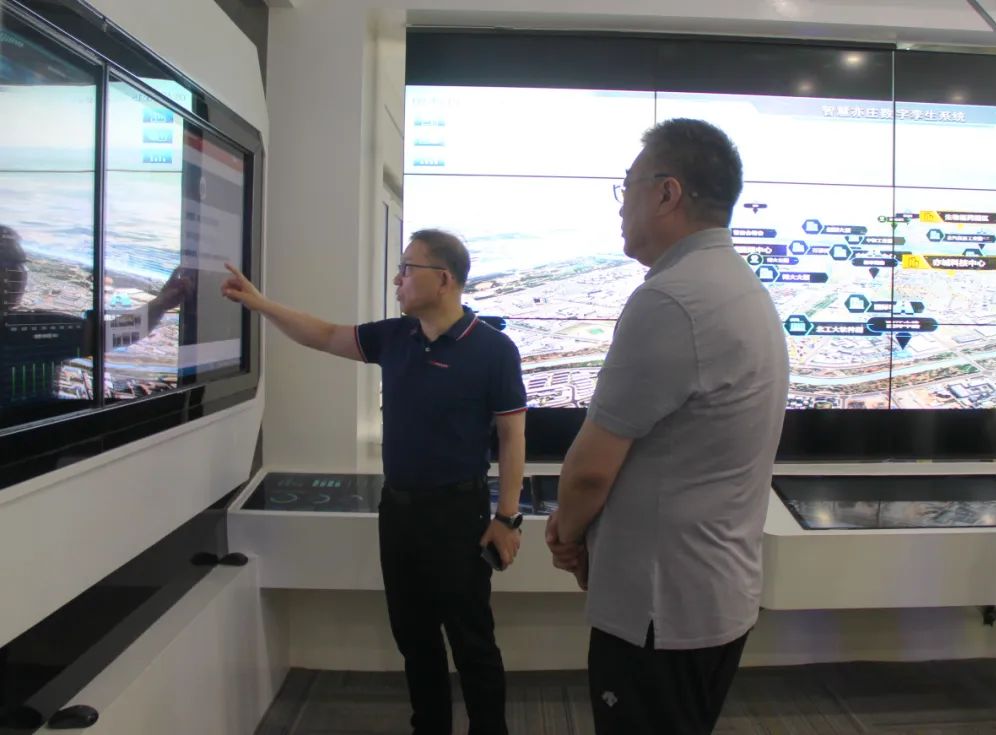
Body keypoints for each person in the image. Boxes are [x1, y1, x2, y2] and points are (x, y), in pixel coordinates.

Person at [221, 228, 526, 735]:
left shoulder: (493, 350)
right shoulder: (395, 336)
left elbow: (513, 438)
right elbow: (323, 334)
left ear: (443, 279)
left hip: (458, 515)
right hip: (399, 512)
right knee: (414, 637)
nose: (397, 279)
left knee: (471, 639)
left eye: (407, 269)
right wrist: (260, 303)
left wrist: (507, 518)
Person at [545, 119, 790, 735]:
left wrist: (567, 536)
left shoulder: (670, 299)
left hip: (660, 609)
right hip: (716, 594)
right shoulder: (741, 288)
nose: (620, 204)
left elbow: (589, 472)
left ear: (666, 193)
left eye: (626, 185)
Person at [0, 224, 191, 414]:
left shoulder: (33, 326)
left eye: (20, 264)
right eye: (8, 265)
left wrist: (161, 303)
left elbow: (110, 334)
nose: (18, 273)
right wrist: (160, 304)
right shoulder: (31, 328)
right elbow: (112, 335)